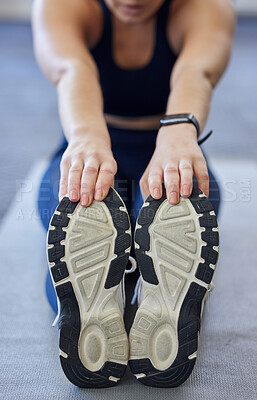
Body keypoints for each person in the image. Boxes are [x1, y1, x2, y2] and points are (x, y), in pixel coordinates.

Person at [32, 0, 235, 389]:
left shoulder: (205, 7)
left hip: (172, 151)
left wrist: (178, 130)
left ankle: (133, 301)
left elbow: (197, 70)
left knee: (180, 206)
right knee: (78, 212)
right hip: (91, 147)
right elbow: (72, 68)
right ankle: (135, 305)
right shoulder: (63, 5)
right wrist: (86, 136)